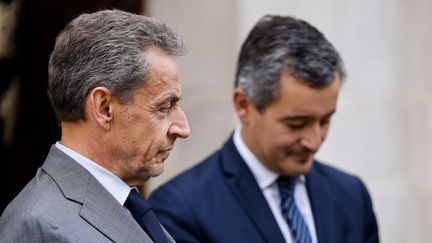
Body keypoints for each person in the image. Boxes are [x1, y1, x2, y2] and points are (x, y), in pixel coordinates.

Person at [149, 15, 379, 243]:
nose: (314, 141)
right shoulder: (180, 209)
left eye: (325, 121)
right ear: (244, 105)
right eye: (296, 124)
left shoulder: (351, 196)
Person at [0, 9, 190, 243]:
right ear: (104, 108)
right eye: (164, 107)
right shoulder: (36, 225)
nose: (183, 128)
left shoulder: (130, 206)